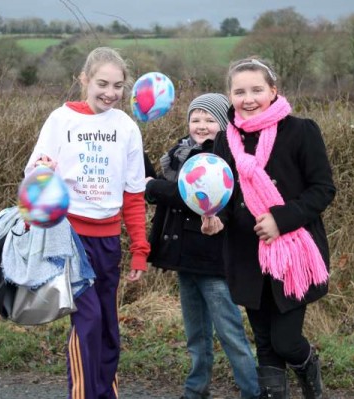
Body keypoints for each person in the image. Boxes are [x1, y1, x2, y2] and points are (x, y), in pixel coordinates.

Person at [202, 58, 336, 399]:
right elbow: (228, 200)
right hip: (247, 255)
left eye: (257, 90)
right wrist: (216, 219)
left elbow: (322, 189)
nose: (248, 99)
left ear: (273, 91)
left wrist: (281, 218)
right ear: (229, 96)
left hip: (293, 253)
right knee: (264, 343)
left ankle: (308, 370)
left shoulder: (301, 131)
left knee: (286, 341)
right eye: (240, 91)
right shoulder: (224, 142)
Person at [24, 47, 150, 399]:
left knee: (108, 325)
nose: (110, 93)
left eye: (118, 86)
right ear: (84, 80)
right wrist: (42, 168)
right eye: (102, 83)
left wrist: (139, 249)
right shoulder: (61, 119)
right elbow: (34, 176)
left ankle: (106, 392)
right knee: (88, 319)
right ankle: (82, 394)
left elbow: (134, 195)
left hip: (108, 241)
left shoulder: (126, 127)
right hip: (70, 239)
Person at [145, 93, 260, 399]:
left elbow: (186, 194)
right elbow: (164, 189)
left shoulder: (220, 159)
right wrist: (146, 175)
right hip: (185, 260)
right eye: (196, 118)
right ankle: (196, 389)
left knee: (230, 333)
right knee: (196, 335)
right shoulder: (180, 154)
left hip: (213, 261)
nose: (201, 125)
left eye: (210, 119)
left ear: (224, 124)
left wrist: (153, 187)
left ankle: (254, 391)